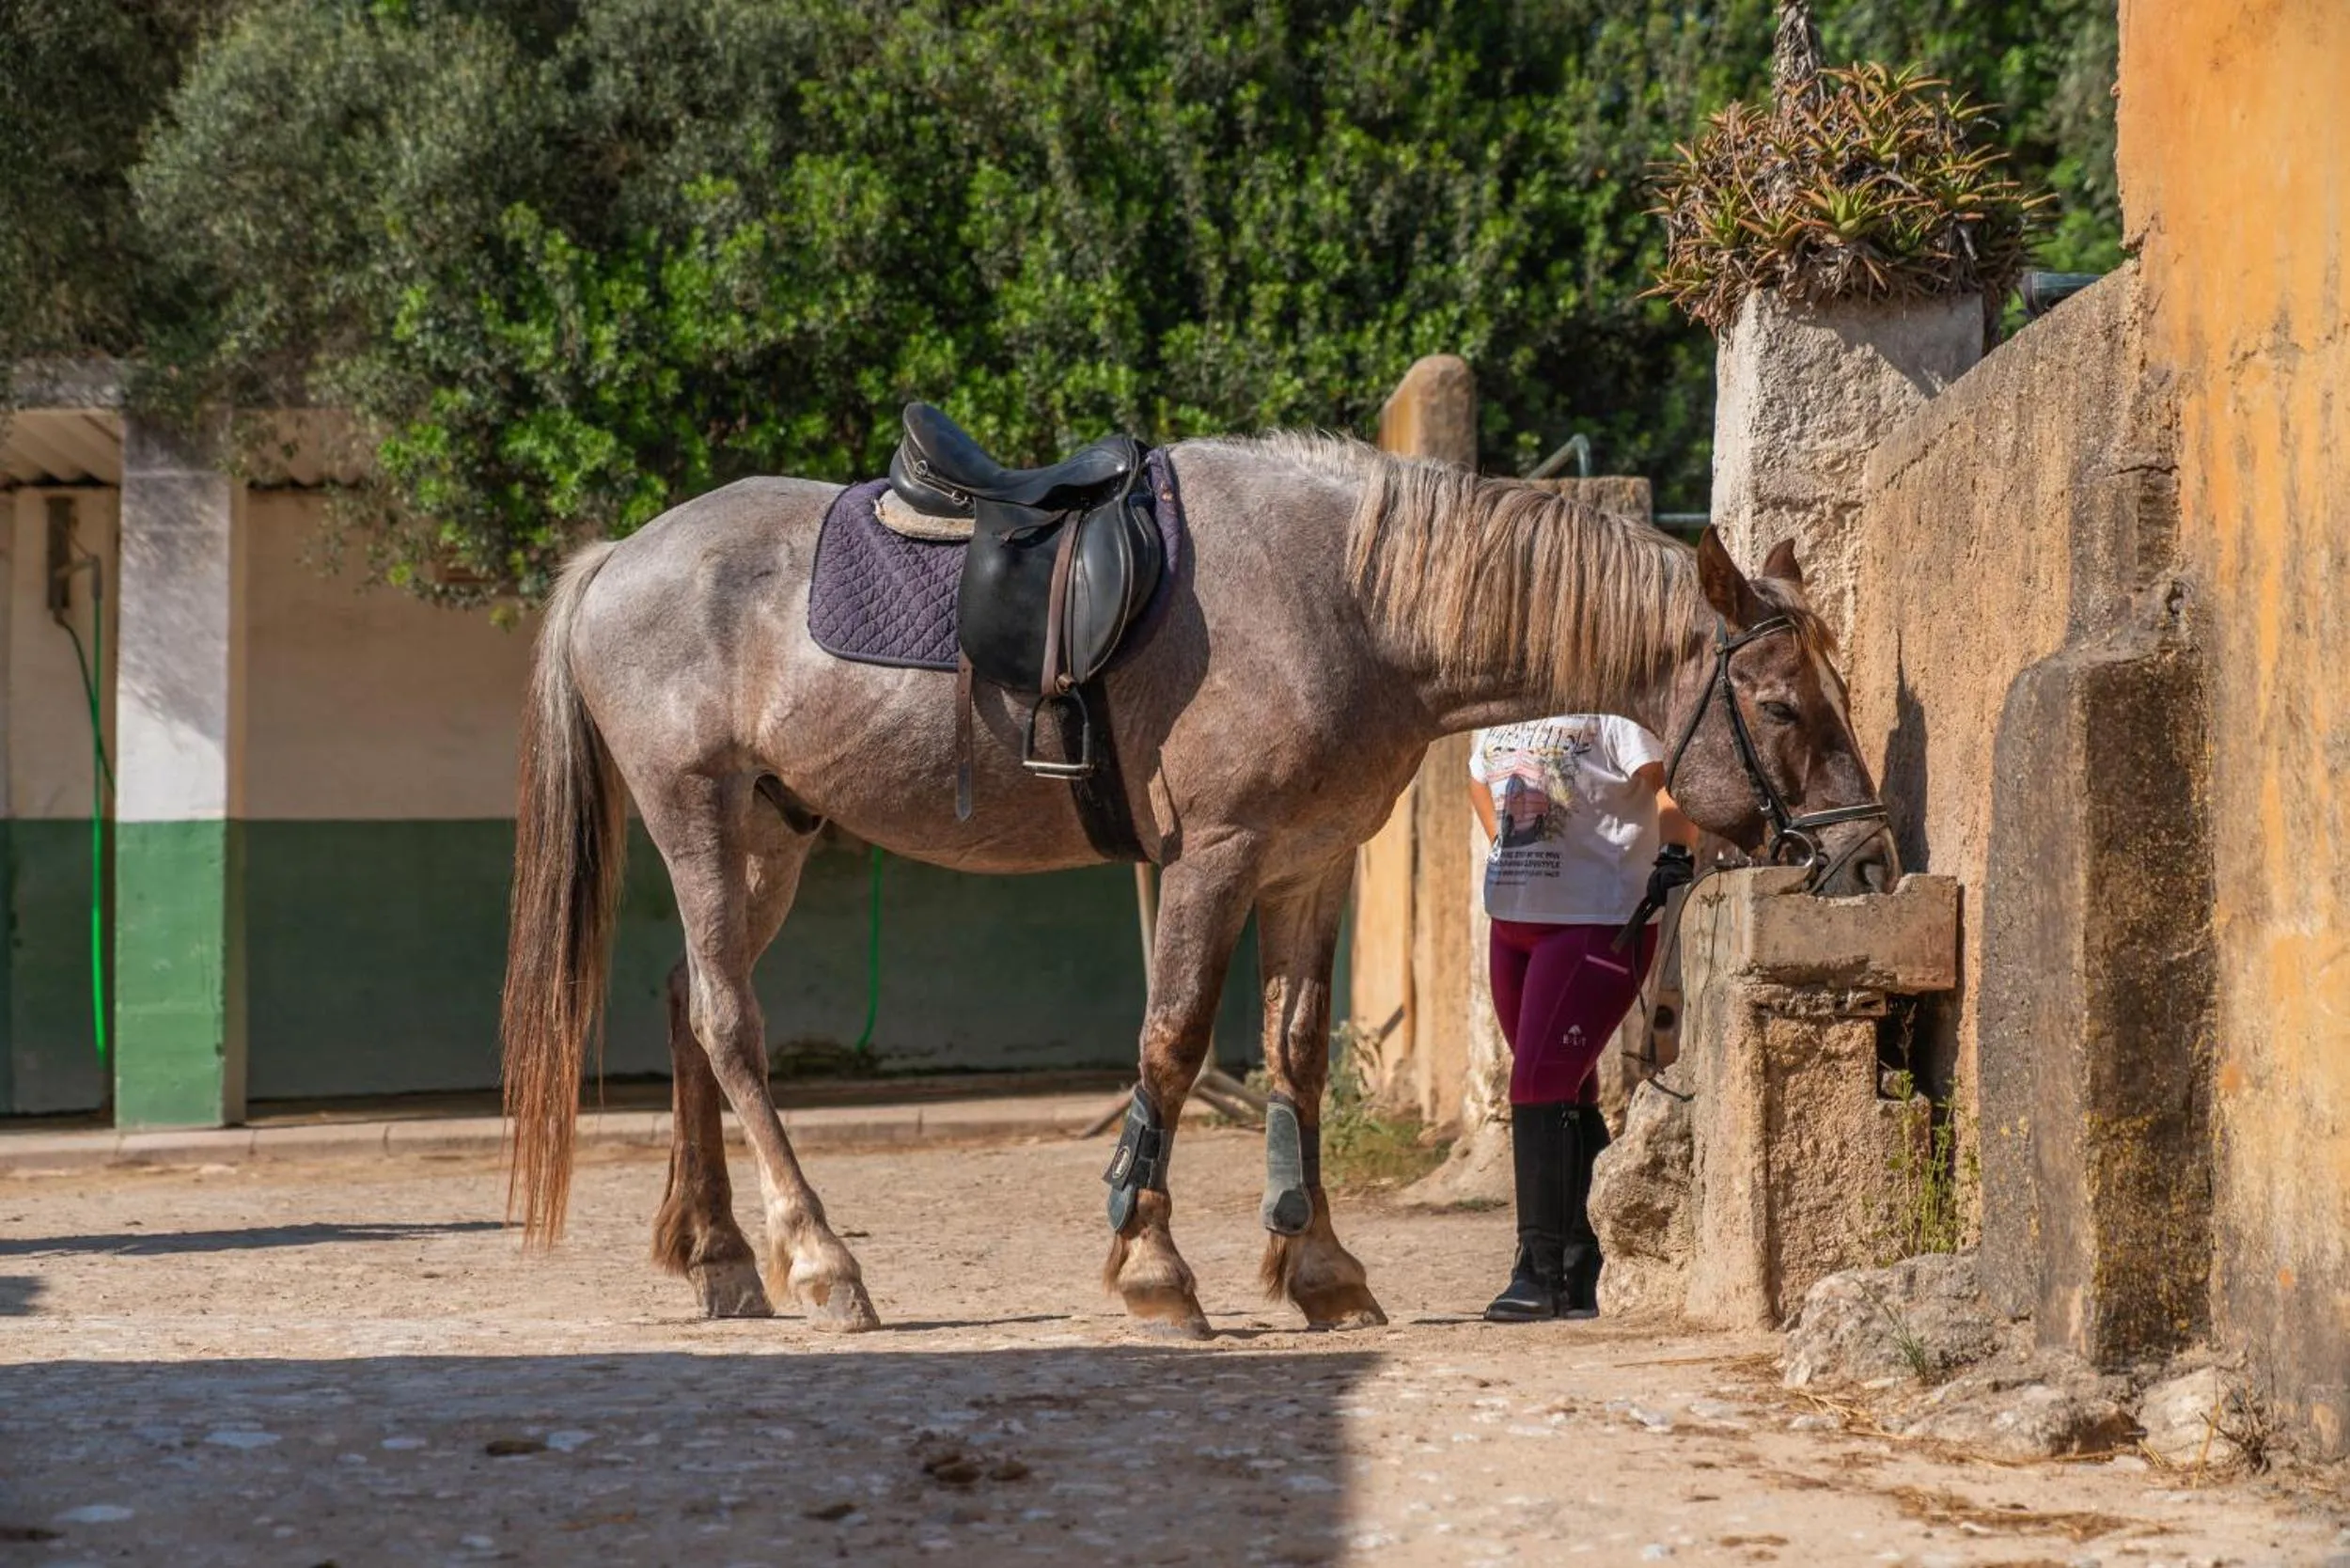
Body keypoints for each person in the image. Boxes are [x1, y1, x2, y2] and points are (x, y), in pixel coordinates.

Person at [1468, 713, 1698, 1322]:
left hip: (1596, 920)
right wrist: (1504, 846)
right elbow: (1477, 778)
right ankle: (1583, 1260)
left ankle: (1537, 1272)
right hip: (1512, 924)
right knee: (1563, 1084)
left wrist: (1675, 850)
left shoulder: (1612, 713)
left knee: (1537, 1081)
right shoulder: (1500, 709)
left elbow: (1675, 785)